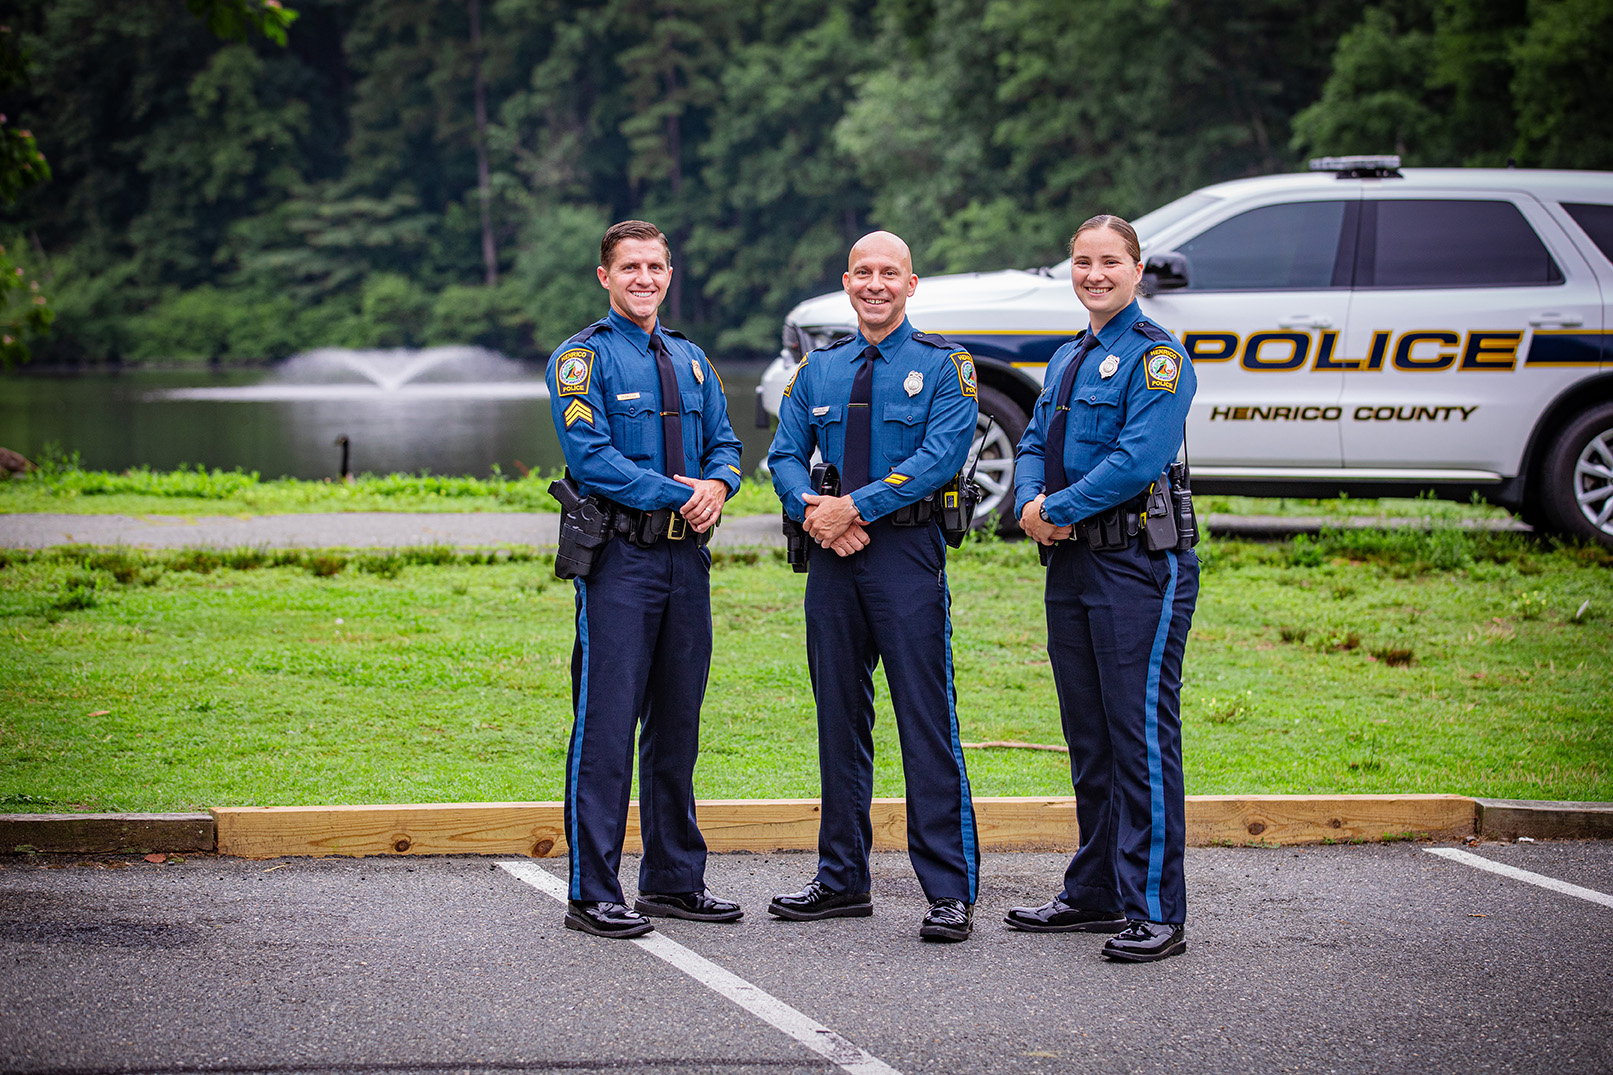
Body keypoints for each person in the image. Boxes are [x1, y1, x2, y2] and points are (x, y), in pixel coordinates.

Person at [766, 230, 982, 942]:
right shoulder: (815, 371)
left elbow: (940, 456)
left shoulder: (945, 366)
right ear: (847, 281)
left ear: (911, 283)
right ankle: (840, 879)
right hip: (831, 561)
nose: (876, 284)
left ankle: (948, 891)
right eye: (863, 272)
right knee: (837, 722)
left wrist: (850, 508)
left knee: (925, 720)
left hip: (904, 556)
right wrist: (813, 512)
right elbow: (784, 455)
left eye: (889, 272)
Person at [545, 219, 746, 939]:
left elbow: (726, 443)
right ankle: (591, 891)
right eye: (630, 267)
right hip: (621, 564)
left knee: (677, 725)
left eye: (655, 267)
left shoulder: (692, 360)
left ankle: (672, 881)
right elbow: (591, 457)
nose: (644, 279)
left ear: (669, 273)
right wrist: (678, 493)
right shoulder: (580, 359)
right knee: (605, 728)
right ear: (605, 276)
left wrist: (718, 486)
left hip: (686, 562)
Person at [1007, 214, 1199, 962]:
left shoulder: (1157, 359)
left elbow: (1133, 459)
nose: (1094, 273)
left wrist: (1051, 509)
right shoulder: (1066, 359)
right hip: (1073, 563)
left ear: (1137, 268)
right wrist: (1029, 501)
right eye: (1082, 261)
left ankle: (1154, 908)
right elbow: (1031, 441)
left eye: (1109, 261)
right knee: (1088, 739)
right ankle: (1093, 891)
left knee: (1139, 738)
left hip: (1136, 565)